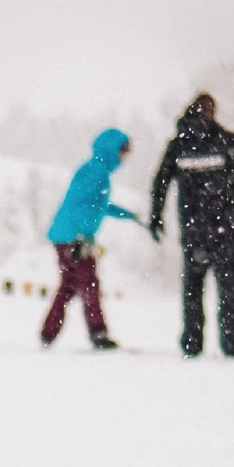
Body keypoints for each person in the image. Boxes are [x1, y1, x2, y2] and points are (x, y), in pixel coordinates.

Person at [148, 93, 234, 358]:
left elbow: (160, 182)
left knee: (193, 288)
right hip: (225, 228)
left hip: (193, 229)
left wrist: (156, 215)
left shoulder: (178, 145)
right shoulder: (228, 141)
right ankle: (231, 341)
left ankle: (192, 340)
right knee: (228, 289)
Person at [41, 129, 146, 349]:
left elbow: (99, 205)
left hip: (66, 235)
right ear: (112, 150)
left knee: (69, 285)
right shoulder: (96, 172)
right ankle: (98, 334)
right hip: (74, 238)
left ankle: (48, 333)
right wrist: (81, 237)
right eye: (124, 151)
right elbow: (79, 204)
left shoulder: (95, 170)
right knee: (89, 284)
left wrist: (128, 215)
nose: (125, 157)